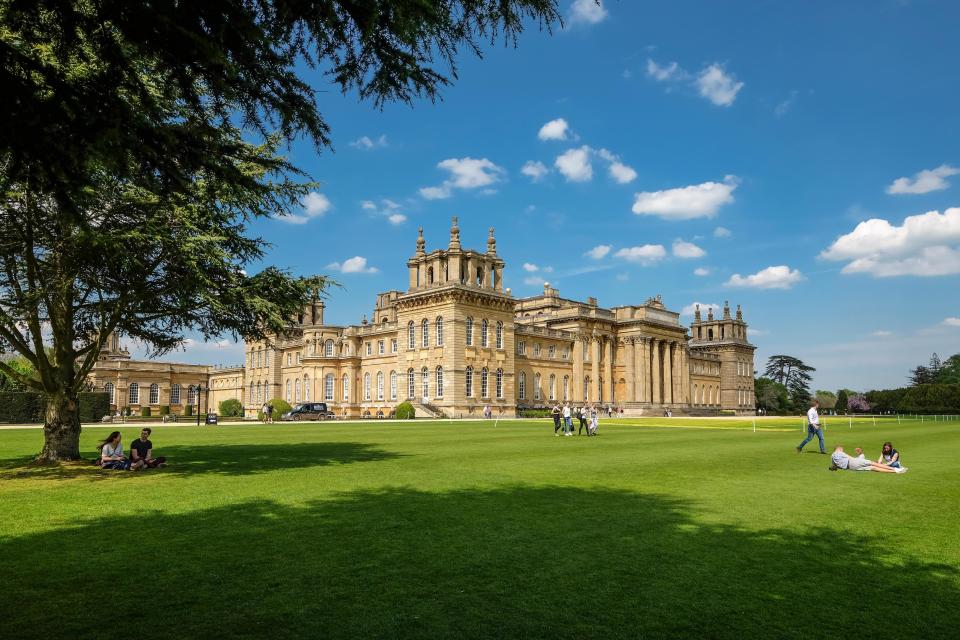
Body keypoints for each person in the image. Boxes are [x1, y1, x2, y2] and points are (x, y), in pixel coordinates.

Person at [829, 445, 906, 473]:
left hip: (851, 467)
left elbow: (834, 466)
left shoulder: (832, 456)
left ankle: (893, 471)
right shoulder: (839, 452)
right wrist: (858, 456)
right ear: (839, 449)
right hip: (853, 462)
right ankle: (895, 469)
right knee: (873, 463)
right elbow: (850, 458)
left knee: (873, 468)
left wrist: (832, 468)